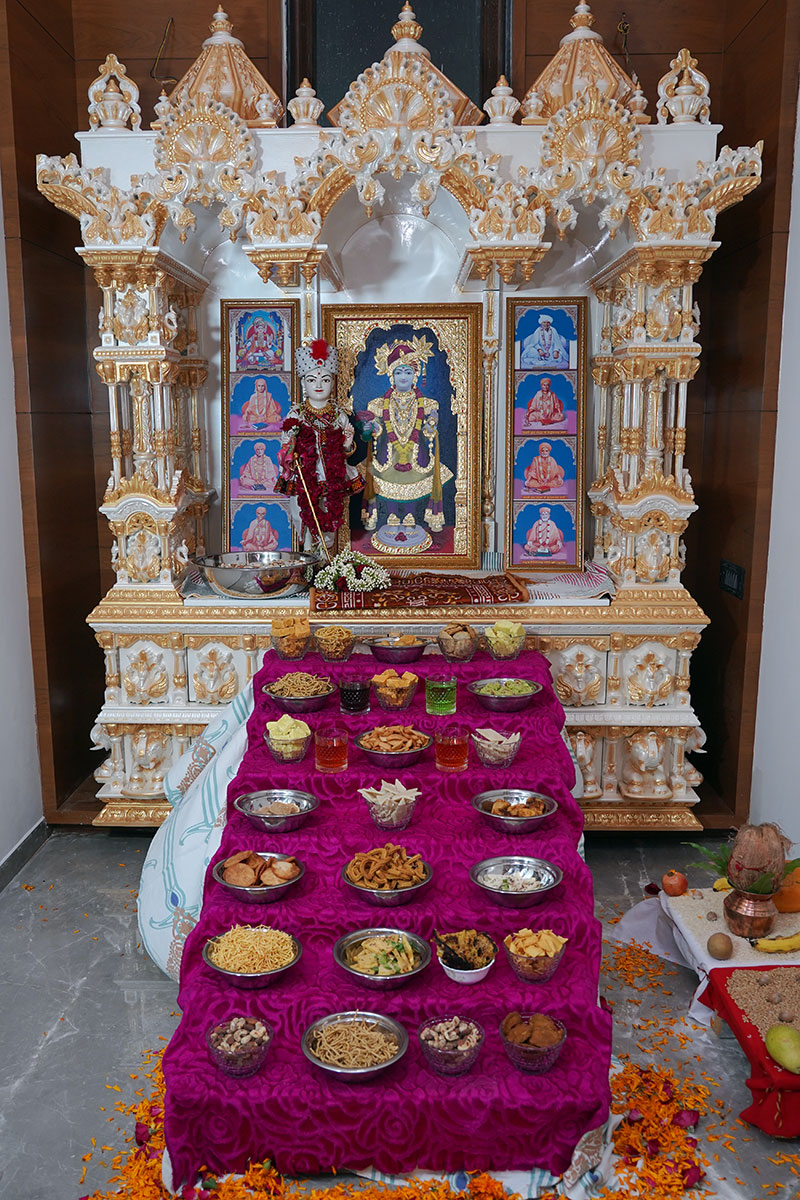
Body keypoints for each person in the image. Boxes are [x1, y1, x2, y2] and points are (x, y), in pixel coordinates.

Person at [359, 336, 453, 541]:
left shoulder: (427, 404)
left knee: (413, 482)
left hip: (416, 453)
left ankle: (410, 516)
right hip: (388, 453)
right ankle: (391, 515)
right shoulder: (377, 404)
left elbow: (430, 427)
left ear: (416, 376)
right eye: (399, 372)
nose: (403, 376)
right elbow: (375, 427)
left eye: (408, 372)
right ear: (391, 376)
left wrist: (430, 427)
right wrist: (373, 428)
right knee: (387, 481)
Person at [275, 339, 362, 548]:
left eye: (325, 380)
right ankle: (308, 556)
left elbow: (345, 450)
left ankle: (326, 558)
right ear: (304, 384)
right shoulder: (296, 415)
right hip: (304, 475)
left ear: (333, 383)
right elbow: (285, 446)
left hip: (331, 476)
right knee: (303, 516)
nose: (319, 385)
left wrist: (347, 444)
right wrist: (291, 450)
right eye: (312, 380)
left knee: (331, 517)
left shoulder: (339, 415)